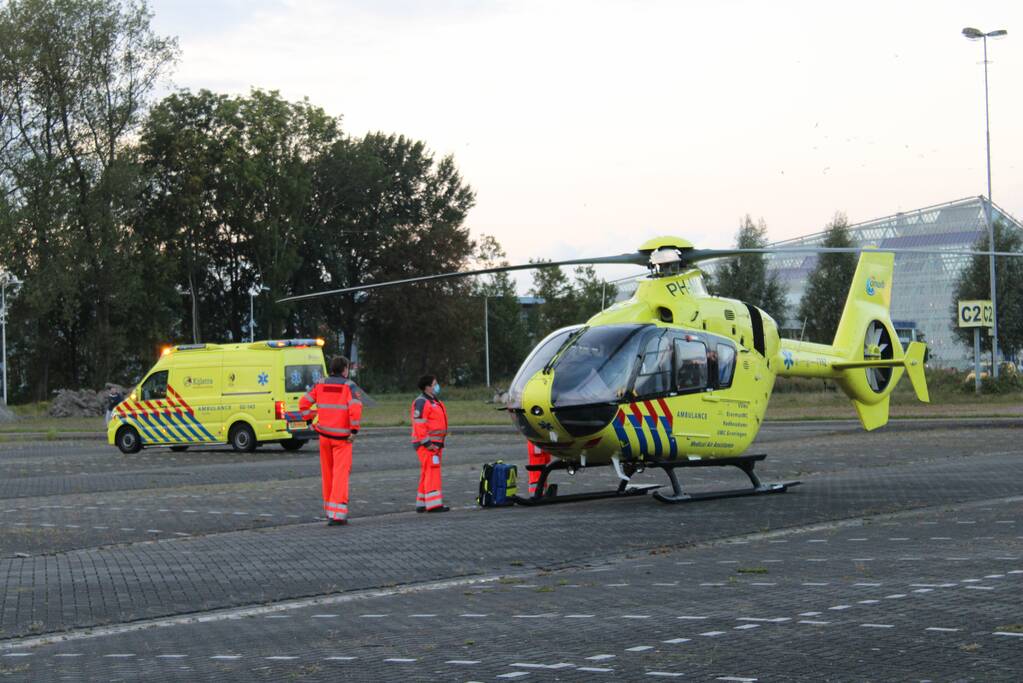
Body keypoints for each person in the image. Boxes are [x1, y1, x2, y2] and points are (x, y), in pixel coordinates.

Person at [298, 356, 363, 526]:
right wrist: (354, 430)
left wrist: (310, 420)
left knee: (328, 475)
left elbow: (303, 403)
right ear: (345, 369)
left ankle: (329, 511)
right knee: (340, 475)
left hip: (324, 437)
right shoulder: (349, 386)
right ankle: (338, 514)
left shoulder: (320, 384)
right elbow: (355, 409)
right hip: (342, 439)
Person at [411, 374, 449, 513]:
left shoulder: (433, 401)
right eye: (435, 384)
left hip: (435, 443)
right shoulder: (422, 402)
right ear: (427, 387)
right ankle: (434, 505)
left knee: (427, 471)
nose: (437, 386)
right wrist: (427, 443)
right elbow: (419, 424)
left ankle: (422, 503)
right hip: (428, 444)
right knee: (432, 471)